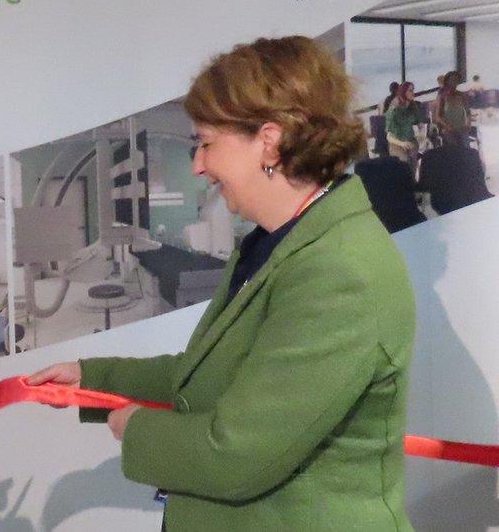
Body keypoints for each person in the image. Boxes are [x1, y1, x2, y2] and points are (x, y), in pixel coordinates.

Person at [29, 36, 415, 530]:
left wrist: (134, 428)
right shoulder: (272, 245)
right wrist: (92, 380)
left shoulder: (340, 271)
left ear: (269, 141)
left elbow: (238, 455)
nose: (198, 166)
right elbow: (210, 378)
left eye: (207, 144)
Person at [385, 81, 424, 172]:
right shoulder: (394, 109)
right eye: (410, 91)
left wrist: (422, 132)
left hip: (410, 140)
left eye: (413, 90)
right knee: (404, 165)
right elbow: (389, 136)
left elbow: (420, 123)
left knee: (413, 165)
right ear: (404, 92)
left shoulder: (412, 105)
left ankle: (413, 182)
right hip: (397, 143)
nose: (413, 93)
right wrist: (402, 144)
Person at [434, 70, 470, 147]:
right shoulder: (442, 97)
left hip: (461, 128)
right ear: (447, 82)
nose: (454, 83)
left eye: (456, 80)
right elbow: (437, 117)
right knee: (454, 147)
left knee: (466, 149)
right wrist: (446, 126)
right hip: (448, 129)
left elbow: (468, 112)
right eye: (452, 80)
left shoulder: (462, 95)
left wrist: (468, 123)